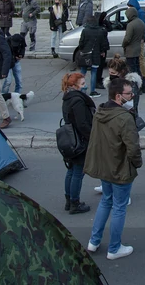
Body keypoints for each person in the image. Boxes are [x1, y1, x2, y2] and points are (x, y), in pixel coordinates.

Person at [85, 78, 142, 260]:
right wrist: (137, 163)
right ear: (118, 96)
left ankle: (94, 241)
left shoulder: (100, 112)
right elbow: (133, 148)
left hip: (105, 166)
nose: (132, 96)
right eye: (129, 94)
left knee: (106, 202)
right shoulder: (125, 118)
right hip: (120, 168)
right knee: (119, 207)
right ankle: (114, 248)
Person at [62, 72, 96, 215]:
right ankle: (75, 203)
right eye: (82, 84)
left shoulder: (67, 97)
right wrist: (92, 137)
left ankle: (69, 200)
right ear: (74, 86)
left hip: (71, 140)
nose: (85, 86)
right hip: (80, 141)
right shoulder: (78, 100)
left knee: (71, 171)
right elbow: (82, 124)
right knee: (78, 172)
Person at [78, 14, 110, 98]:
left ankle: (81, 89)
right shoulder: (100, 31)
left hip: (86, 55)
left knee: (83, 72)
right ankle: (92, 91)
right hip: (96, 55)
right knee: (94, 72)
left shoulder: (85, 31)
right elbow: (102, 44)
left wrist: (82, 49)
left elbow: (81, 43)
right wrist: (102, 51)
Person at [127, 0, 145, 92]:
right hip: (137, 40)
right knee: (139, 59)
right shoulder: (138, 12)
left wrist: (143, 37)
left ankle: (144, 78)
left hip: (138, 41)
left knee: (140, 59)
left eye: (129, 6)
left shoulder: (140, 13)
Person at [121, 5, 145, 78]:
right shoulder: (141, 22)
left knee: (131, 70)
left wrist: (123, 45)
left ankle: (134, 84)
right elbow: (142, 36)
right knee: (137, 68)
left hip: (131, 50)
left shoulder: (130, 25)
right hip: (138, 49)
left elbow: (127, 39)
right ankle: (141, 82)